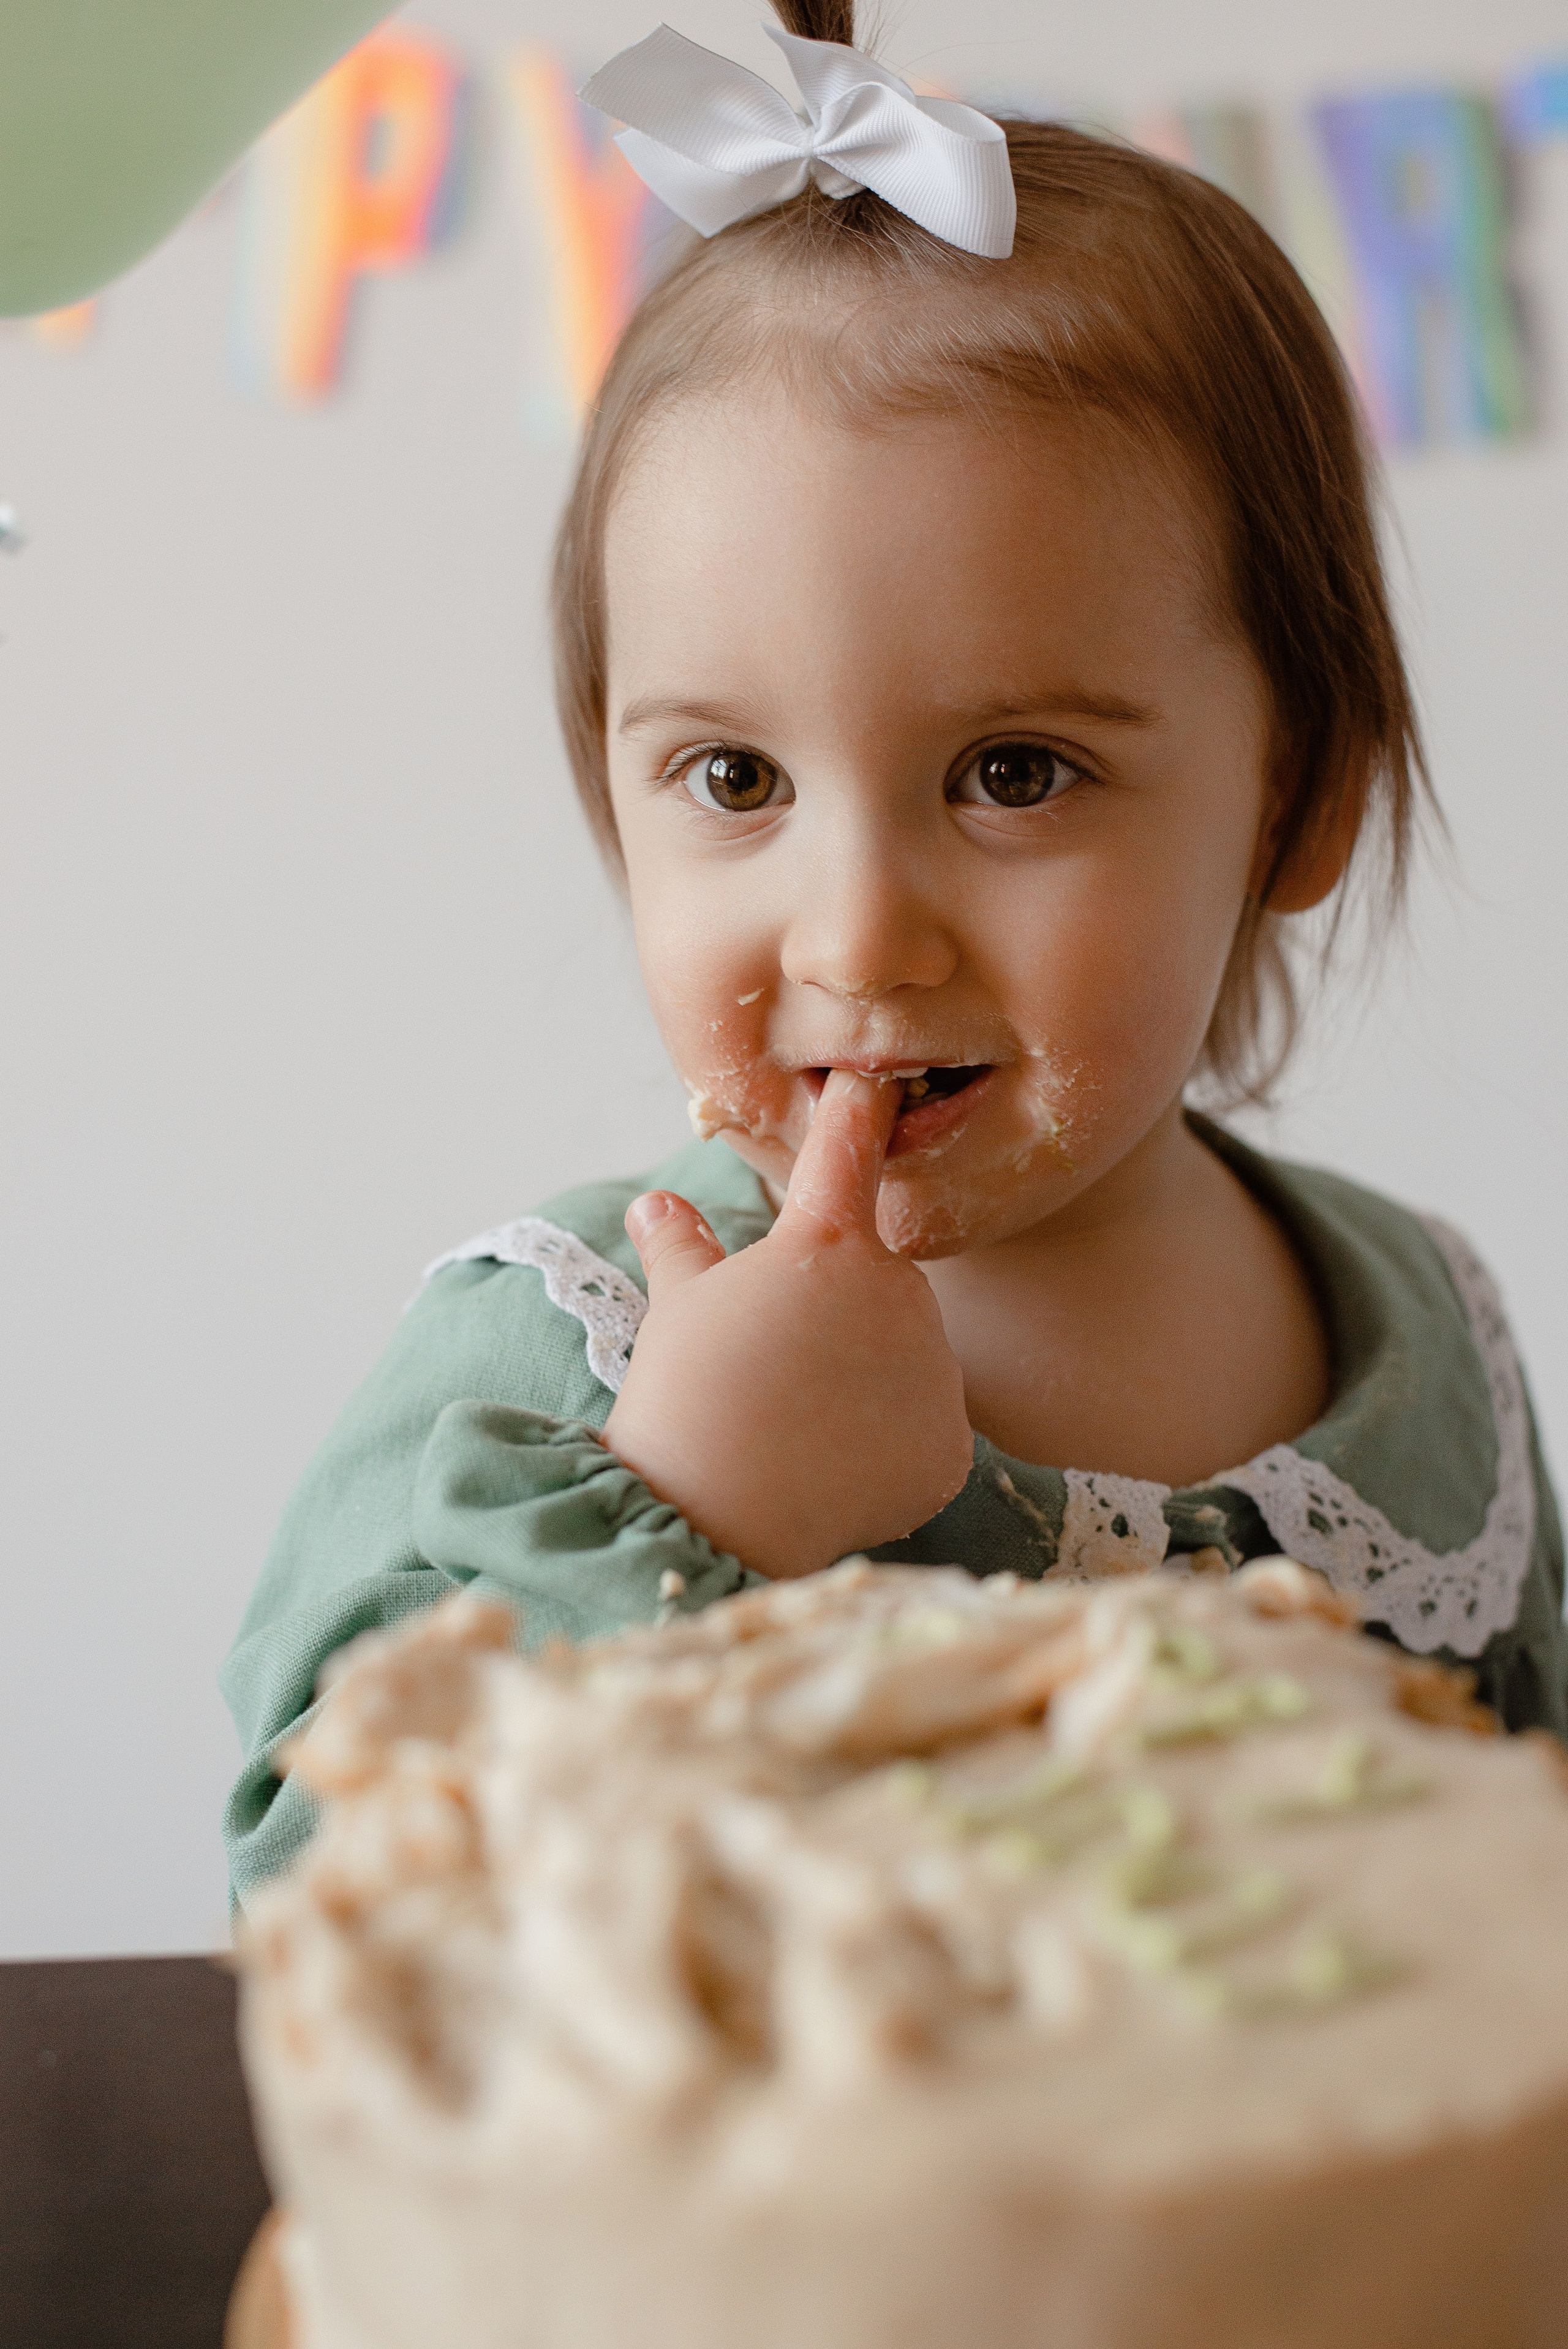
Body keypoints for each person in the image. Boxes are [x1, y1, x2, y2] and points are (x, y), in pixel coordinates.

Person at [221, 0, 1566, 1907]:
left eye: (1014, 773)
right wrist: (690, 1527)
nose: (855, 931)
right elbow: (316, 1915)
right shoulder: (559, 1366)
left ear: (1298, 799)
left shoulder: (1428, 1347)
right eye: (735, 777)